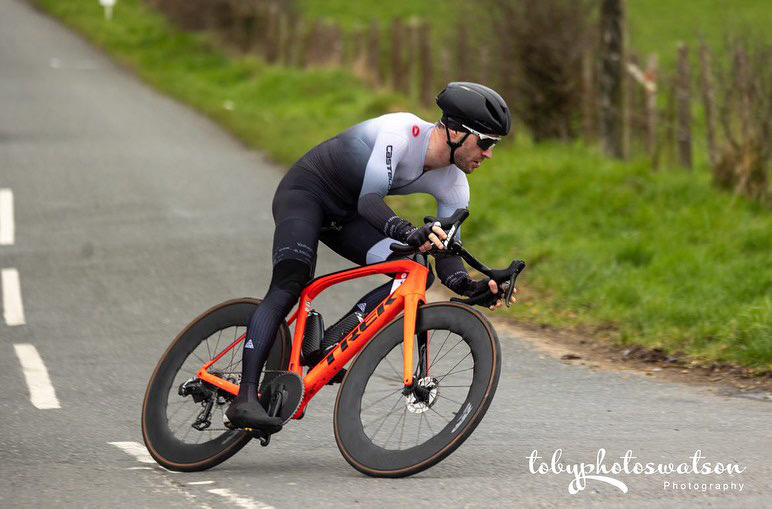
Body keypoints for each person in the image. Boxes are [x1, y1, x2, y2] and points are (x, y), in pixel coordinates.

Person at [225, 82, 517, 432]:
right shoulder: (401, 132)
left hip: (346, 219)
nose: (489, 154)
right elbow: (370, 200)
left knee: (417, 270)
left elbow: (447, 257)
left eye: (494, 145)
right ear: (455, 131)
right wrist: (409, 232)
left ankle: (329, 342)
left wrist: (474, 286)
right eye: (485, 143)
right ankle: (244, 398)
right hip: (307, 194)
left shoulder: (455, 185)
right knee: (291, 281)